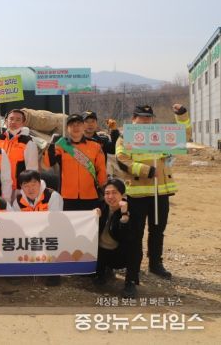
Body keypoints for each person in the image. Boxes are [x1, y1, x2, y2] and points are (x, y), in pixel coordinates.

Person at [115, 104, 191, 279]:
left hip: (160, 192)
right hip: (138, 194)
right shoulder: (125, 136)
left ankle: (155, 264)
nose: (146, 120)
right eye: (142, 117)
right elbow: (122, 160)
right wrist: (146, 170)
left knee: (157, 231)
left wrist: (181, 115)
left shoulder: (160, 135)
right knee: (136, 232)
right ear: (134, 119)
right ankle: (134, 266)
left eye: (149, 117)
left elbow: (184, 135)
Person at [42, 114, 107, 211]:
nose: (75, 127)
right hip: (66, 196)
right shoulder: (61, 145)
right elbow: (47, 164)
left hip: (90, 195)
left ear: (83, 126)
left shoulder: (95, 146)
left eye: (78, 124)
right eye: (72, 125)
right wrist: (51, 145)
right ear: (67, 128)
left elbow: (101, 169)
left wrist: (104, 189)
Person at [93, 179, 138, 299]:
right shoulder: (100, 206)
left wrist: (124, 216)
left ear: (122, 194)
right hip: (101, 252)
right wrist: (93, 216)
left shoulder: (131, 209)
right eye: (107, 193)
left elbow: (128, 237)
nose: (110, 197)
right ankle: (102, 272)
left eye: (114, 193)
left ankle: (130, 282)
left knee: (135, 248)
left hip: (120, 253)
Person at [0, 109, 39, 191]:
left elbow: (32, 169)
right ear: (6, 121)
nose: (13, 122)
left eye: (18, 119)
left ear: (23, 123)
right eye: (11, 119)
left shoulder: (28, 142)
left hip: (18, 189)